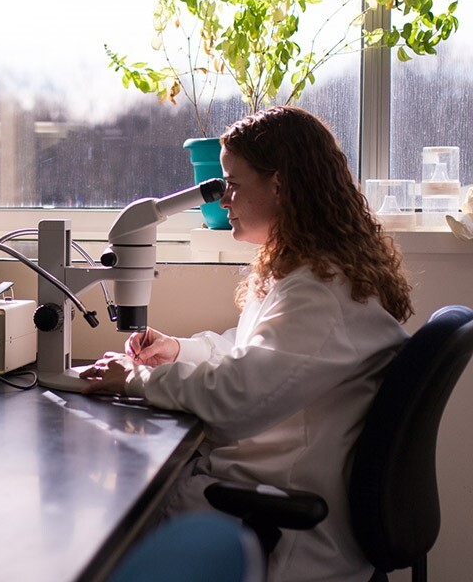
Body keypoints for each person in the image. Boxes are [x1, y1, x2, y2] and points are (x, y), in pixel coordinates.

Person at [80, 105, 413, 582]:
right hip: (274, 490)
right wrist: (179, 350)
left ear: (279, 184)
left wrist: (136, 378)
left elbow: (236, 400)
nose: (223, 200)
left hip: (281, 526)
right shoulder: (319, 274)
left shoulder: (319, 293)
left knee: (107, 520)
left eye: (233, 184)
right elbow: (255, 351)